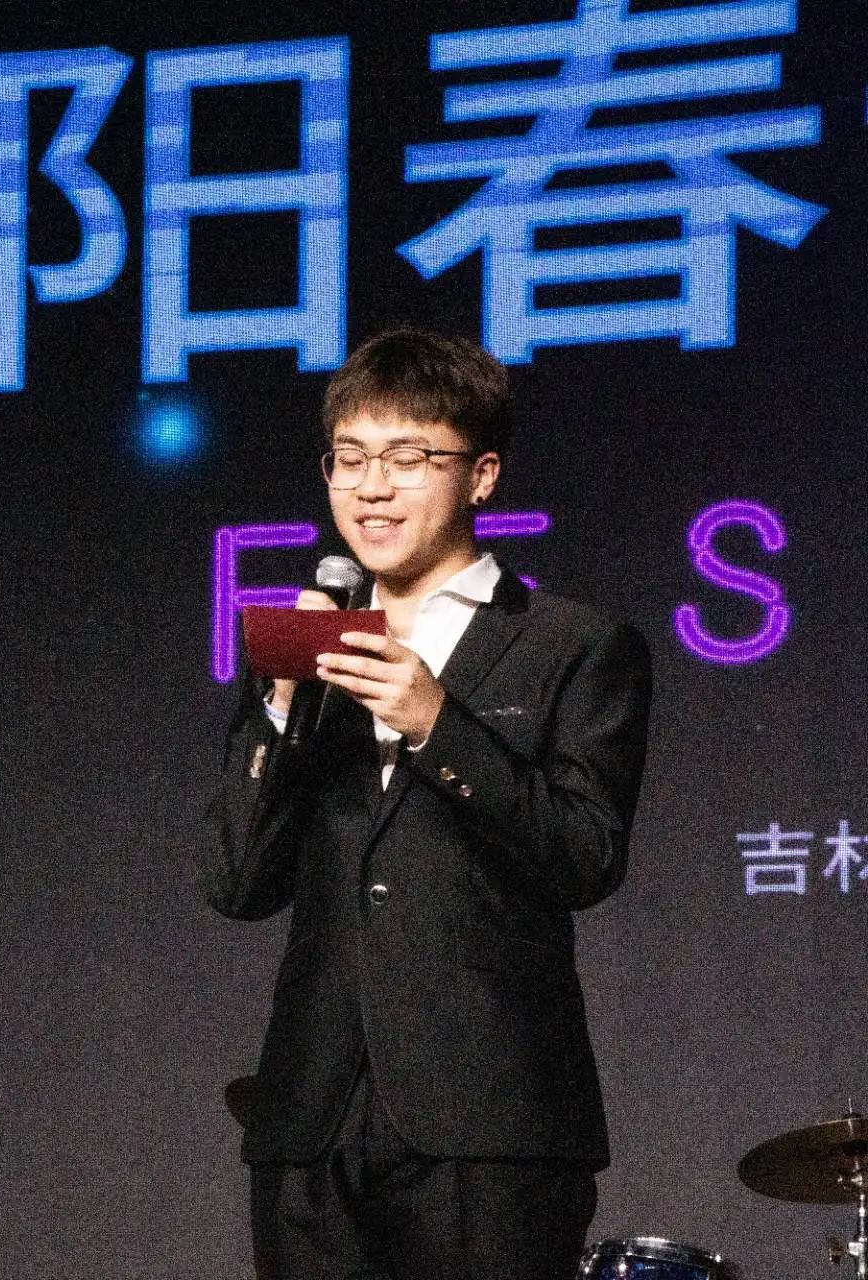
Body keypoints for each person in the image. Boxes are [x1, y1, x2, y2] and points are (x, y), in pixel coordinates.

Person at [205, 330, 652, 1279]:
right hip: (311, 1121)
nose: (372, 488)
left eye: (408, 458)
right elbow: (238, 884)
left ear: (481, 476)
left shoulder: (575, 645)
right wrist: (280, 705)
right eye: (350, 458)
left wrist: (434, 722)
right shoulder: (308, 648)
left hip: (490, 1125)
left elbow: (585, 855)